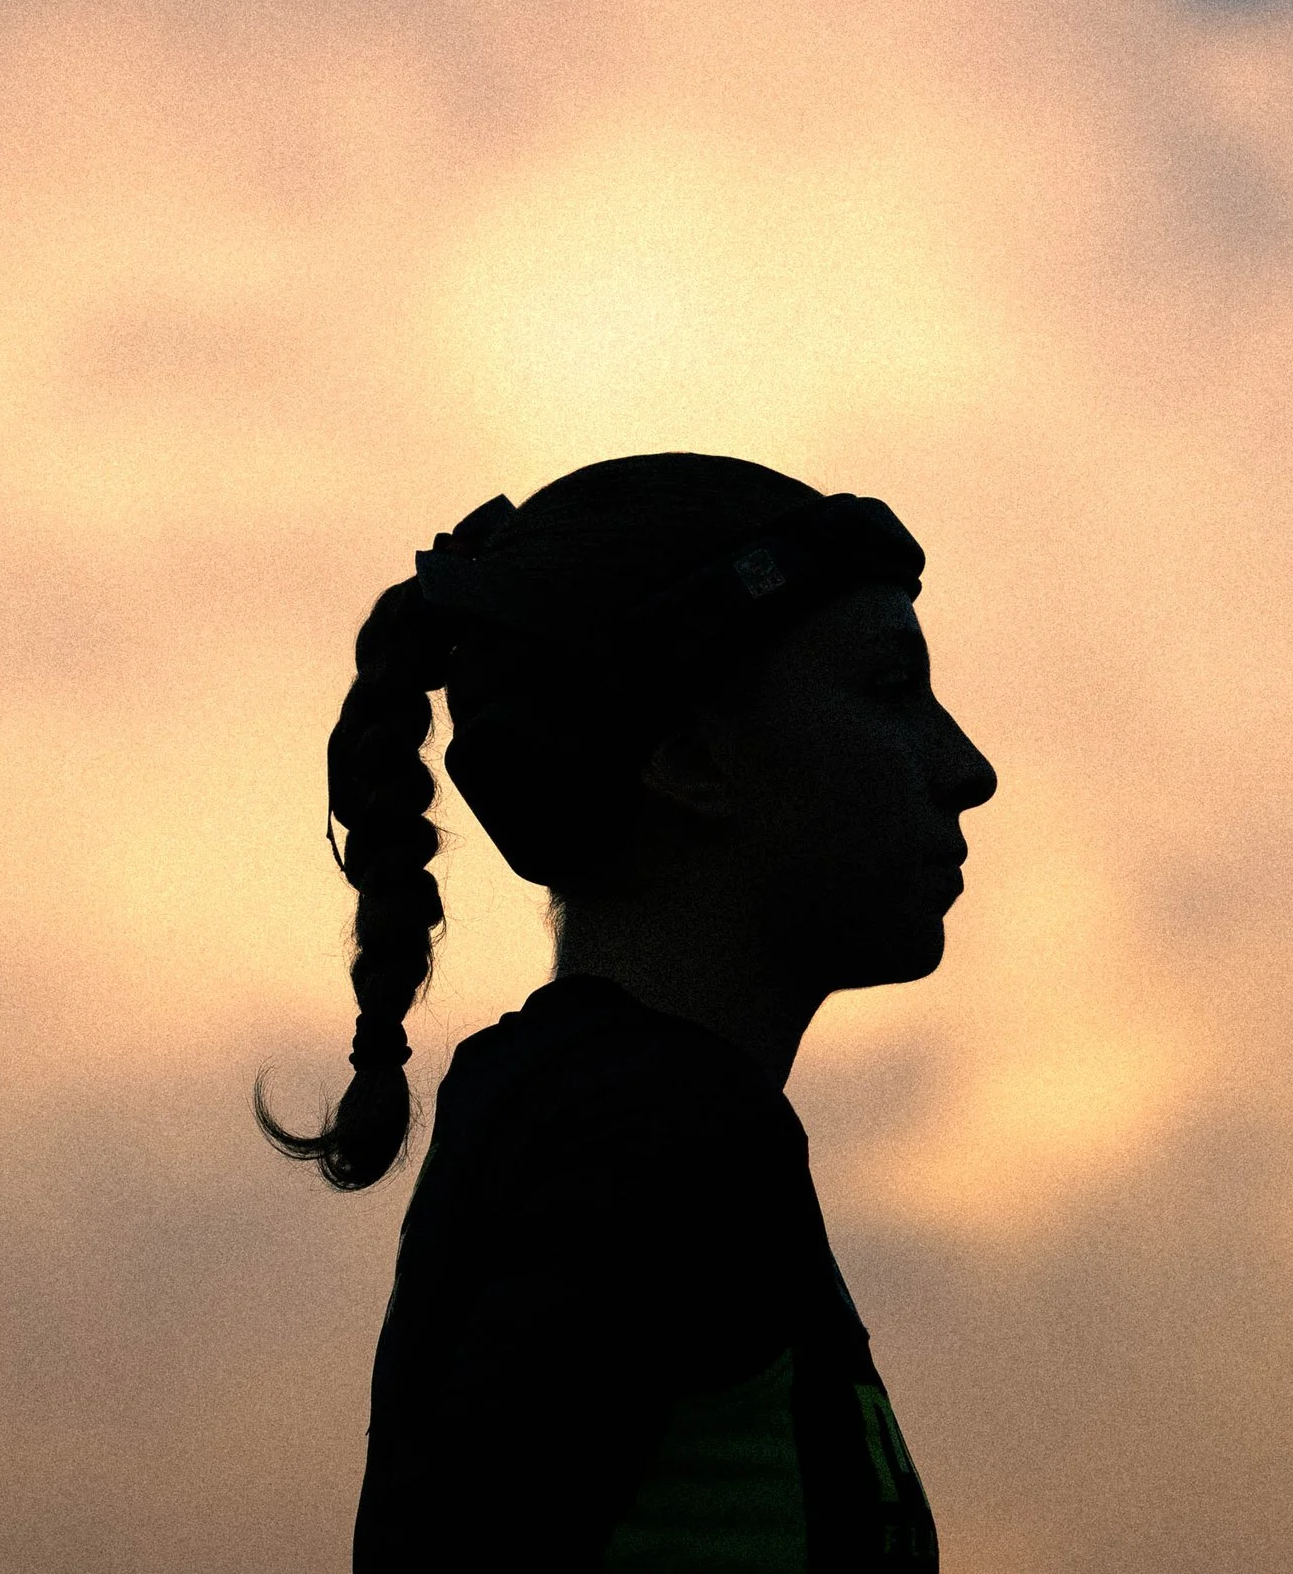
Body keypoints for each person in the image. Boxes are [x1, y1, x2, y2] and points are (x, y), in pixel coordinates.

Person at [258, 451, 998, 1570]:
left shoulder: (610, 1112)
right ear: (687, 755)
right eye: (890, 686)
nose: (965, 765)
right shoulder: (650, 1131)